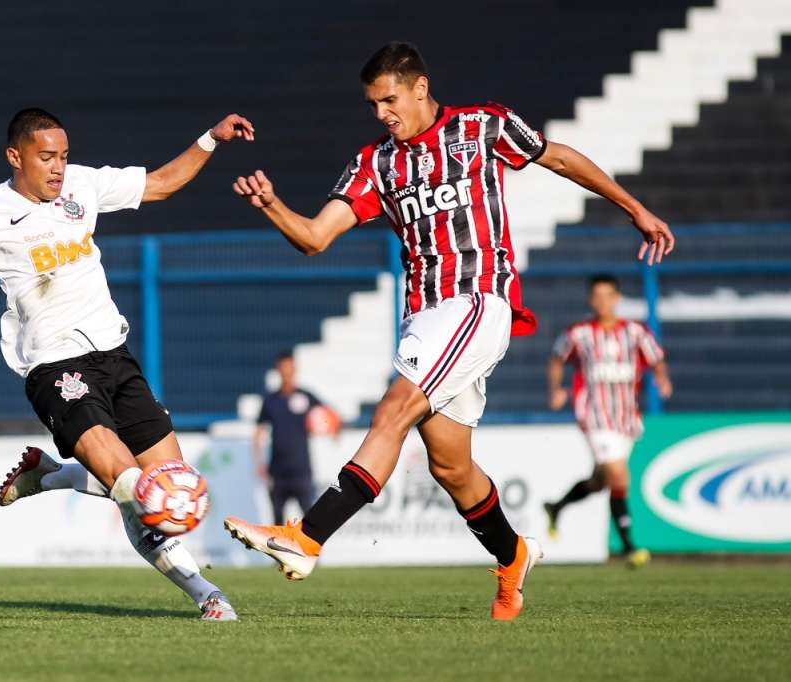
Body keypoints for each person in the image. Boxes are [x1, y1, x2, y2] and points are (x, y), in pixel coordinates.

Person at [224, 41, 675, 621]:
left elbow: (558, 158)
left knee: (393, 409)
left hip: (477, 302)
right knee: (451, 466)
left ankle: (307, 537)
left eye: (389, 100)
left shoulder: (483, 126)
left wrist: (633, 207)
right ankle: (513, 557)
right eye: (372, 104)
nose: (382, 113)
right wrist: (271, 205)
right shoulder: (375, 163)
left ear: (419, 88)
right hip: (426, 316)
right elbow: (314, 237)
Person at [0, 107, 255, 621]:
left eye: (64, 157)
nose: (58, 168)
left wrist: (211, 138)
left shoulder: (82, 186)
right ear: (15, 156)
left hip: (115, 357)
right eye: (47, 157)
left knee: (169, 481)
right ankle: (207, 594)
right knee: (142, 494)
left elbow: (161, 184)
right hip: (56, 368)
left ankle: (49, 477)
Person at [544, 274, 672, 568]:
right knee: (618, 475)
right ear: (591, 300)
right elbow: (556, 358)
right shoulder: (579, 333)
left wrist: (662, 379)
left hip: (626, 418)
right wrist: (556, 391)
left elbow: (656, 359)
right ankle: (630, 547)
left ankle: (557, 506)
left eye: (608, 296)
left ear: (617, 298)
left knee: (600, 482)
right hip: (595, 416)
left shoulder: (636, 333)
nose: (602, 302)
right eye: (596, 296)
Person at [254, 351, 328, 524]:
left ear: (295, 369)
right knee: (278, 522)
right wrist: (259, 462)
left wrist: (328, 428)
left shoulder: (306, 397)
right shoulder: (270, 400)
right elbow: (259, 432)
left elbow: (329, 417)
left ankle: (311, 551)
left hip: (301, 471)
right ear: (278, 370)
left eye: (290, 369)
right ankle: (278, 551)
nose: (287, 373)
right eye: (283, 369)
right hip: (278, 473)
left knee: (311, 520)